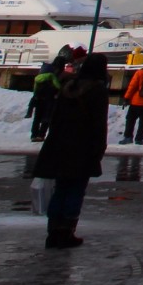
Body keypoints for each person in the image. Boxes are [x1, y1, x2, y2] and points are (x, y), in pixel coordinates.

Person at [32, 52, 111, 248]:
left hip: (59, 144)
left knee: (60, 189)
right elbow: (98, 124)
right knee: (76, 190)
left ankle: (53, 231)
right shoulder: (97, 91)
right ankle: (66, 231)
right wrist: (98, 149)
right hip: (82, 146)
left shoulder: (68, 86)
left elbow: (55, 118)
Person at [28, 54, 62, 141]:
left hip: (38, 99)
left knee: (37, 118)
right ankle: (41, 135)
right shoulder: (52, 75)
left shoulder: (38, 78)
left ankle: (33, 135)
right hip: (48, 100)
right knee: (46, 118)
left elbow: (35, 89)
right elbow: (58, 86)